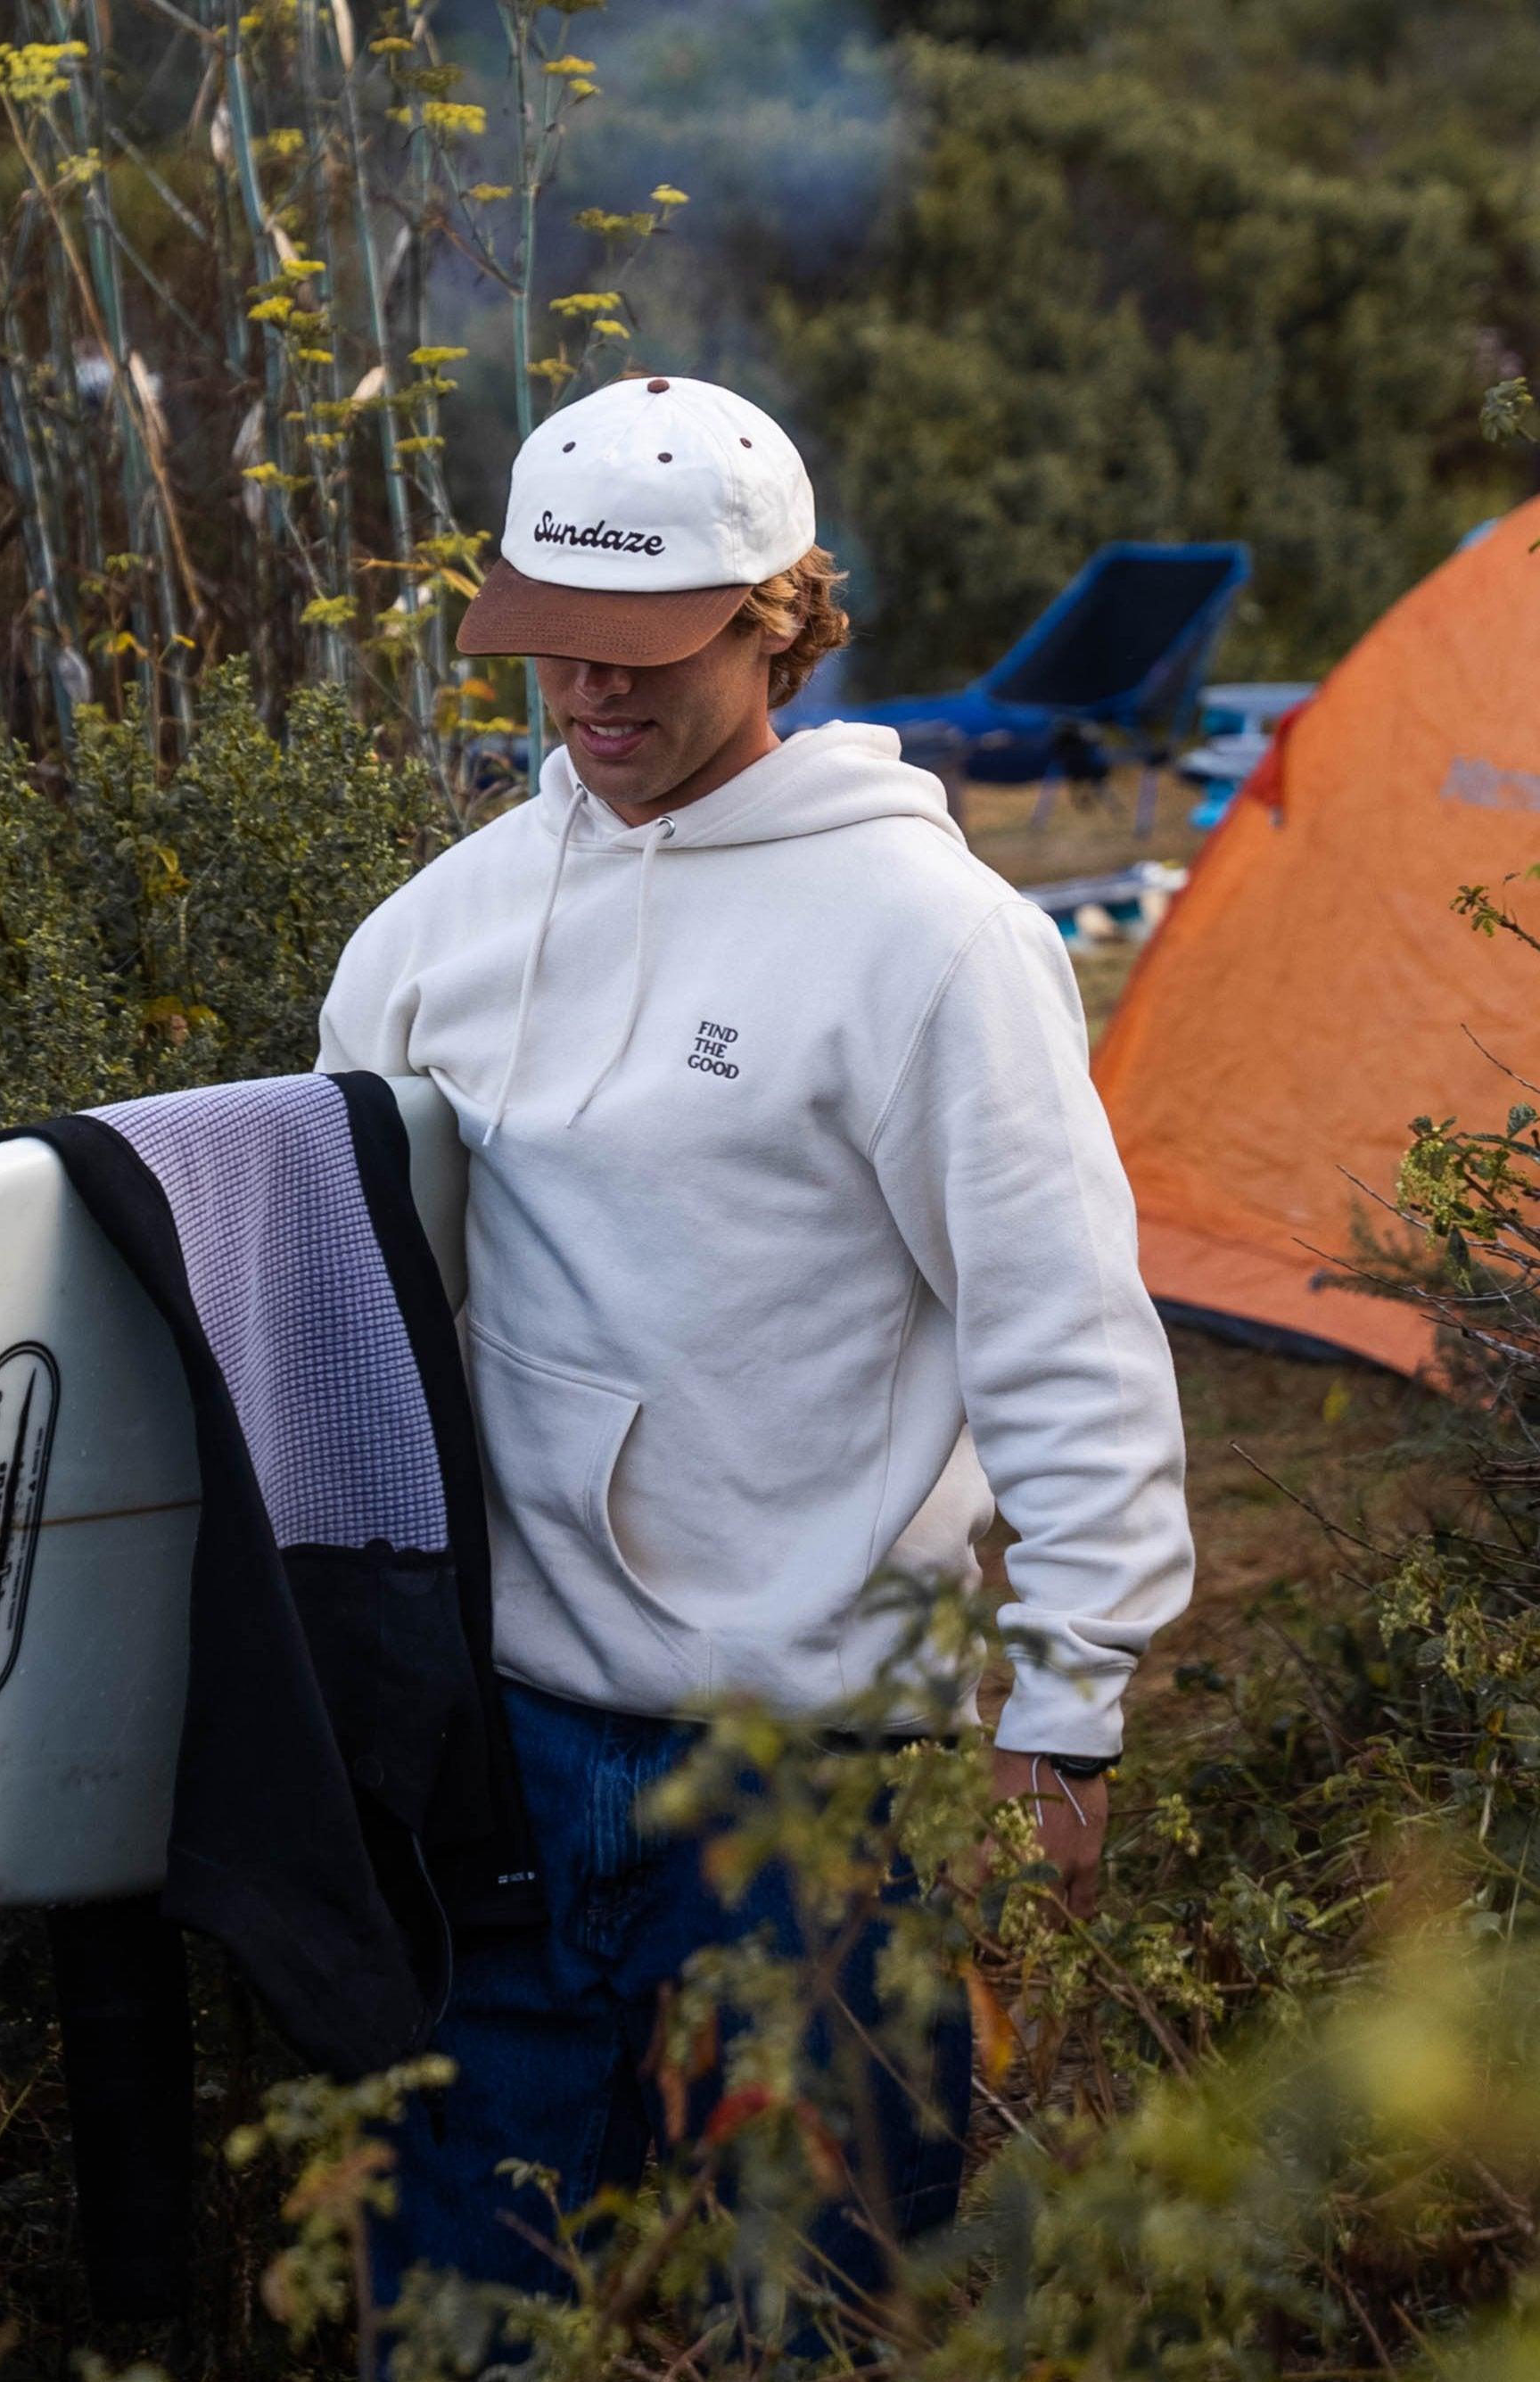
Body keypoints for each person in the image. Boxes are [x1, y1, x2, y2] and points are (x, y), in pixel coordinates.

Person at [316, 375, 1194, 2312]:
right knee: (468, 2315)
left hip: (817, 1779)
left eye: (642, 653)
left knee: (811, 2315)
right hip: (509, 1761)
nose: (590, 700)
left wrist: (1065, 1708)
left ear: (777, 618)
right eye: (550, 649)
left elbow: (1062, 1329)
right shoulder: (427, 942)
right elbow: (357, 1332)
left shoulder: (930, 941)